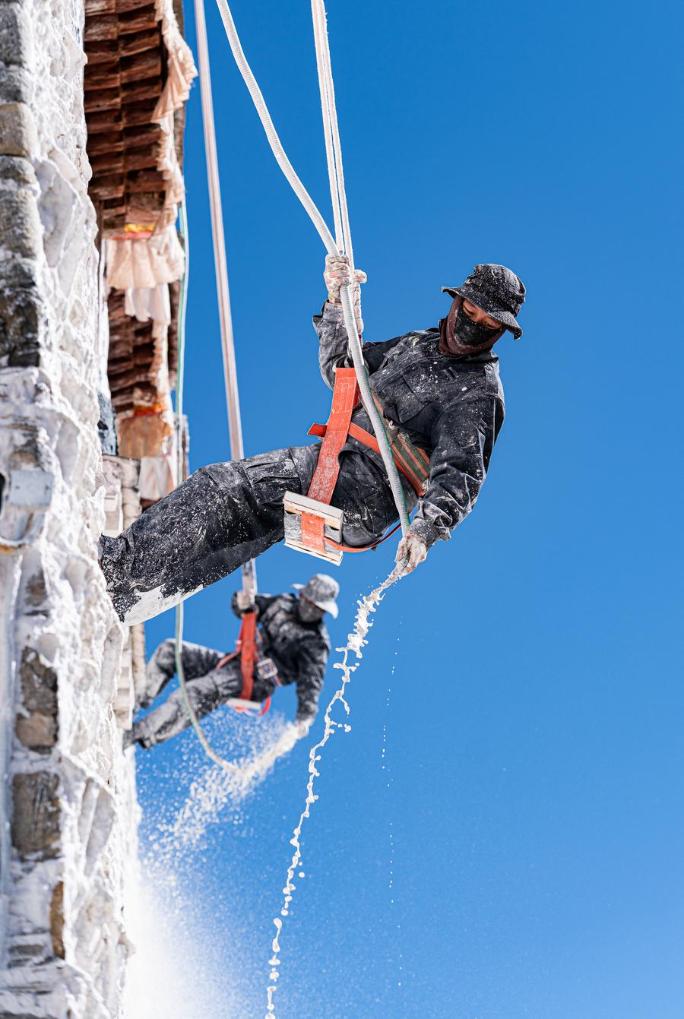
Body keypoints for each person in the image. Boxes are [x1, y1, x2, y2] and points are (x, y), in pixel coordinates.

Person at [100, 261, 526, 625]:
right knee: (244, 525)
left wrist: (427, 528)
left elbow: (462, 472)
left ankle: (120, 563)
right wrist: (339, 306)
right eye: (472, 310)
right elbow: (344, 370)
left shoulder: (479, 393)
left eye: (490, 324)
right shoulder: (418, 345)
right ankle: (136, 593)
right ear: (457, 302)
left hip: (366, 488)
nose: (475, 325)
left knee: (224, 489)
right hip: (336, 461)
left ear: (500, 332)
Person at [124, 574, 338, 750]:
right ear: (302, 595)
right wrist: (241, 602)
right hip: (235, 661)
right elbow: (252, 607)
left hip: (255, 681)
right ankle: (137, 700)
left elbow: (312, 684)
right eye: (307, 600)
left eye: (315, 606)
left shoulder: (315, 643)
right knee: (171, 651)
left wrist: (305, 717)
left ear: (323, 610)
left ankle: (140, 733)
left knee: (193, 693)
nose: (309, 608)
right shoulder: (283, 603)